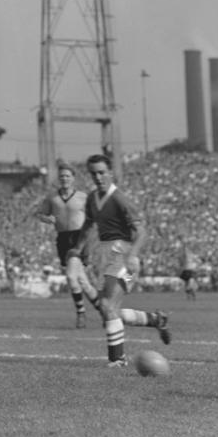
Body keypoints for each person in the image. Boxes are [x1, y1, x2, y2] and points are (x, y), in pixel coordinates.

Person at [70, 154, 171, 367]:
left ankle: (117, 359)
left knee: (108, 306)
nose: (98, 177)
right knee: (108, 310)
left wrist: (133, 255)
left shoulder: (119, 199)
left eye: (101, 172)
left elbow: (141, 231)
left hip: (123, 252)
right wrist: (78, 249)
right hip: (106, 253)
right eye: (93, 173)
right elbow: (88, 226)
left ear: (110, 173)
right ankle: (155, 319)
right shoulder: (92, 199)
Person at [33, 160, 101, 328]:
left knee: (71, 276)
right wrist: (46, 218)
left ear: (73, 178)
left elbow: (94, 219)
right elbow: (40, 213)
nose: (64, 178)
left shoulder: (83, 197)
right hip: (62, 238)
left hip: (80, 238)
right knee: (82, 281)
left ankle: (81, 314)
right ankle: (104, 310)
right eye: (62, 176)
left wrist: (91, 243)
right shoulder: (52, 198)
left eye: (67, 176)